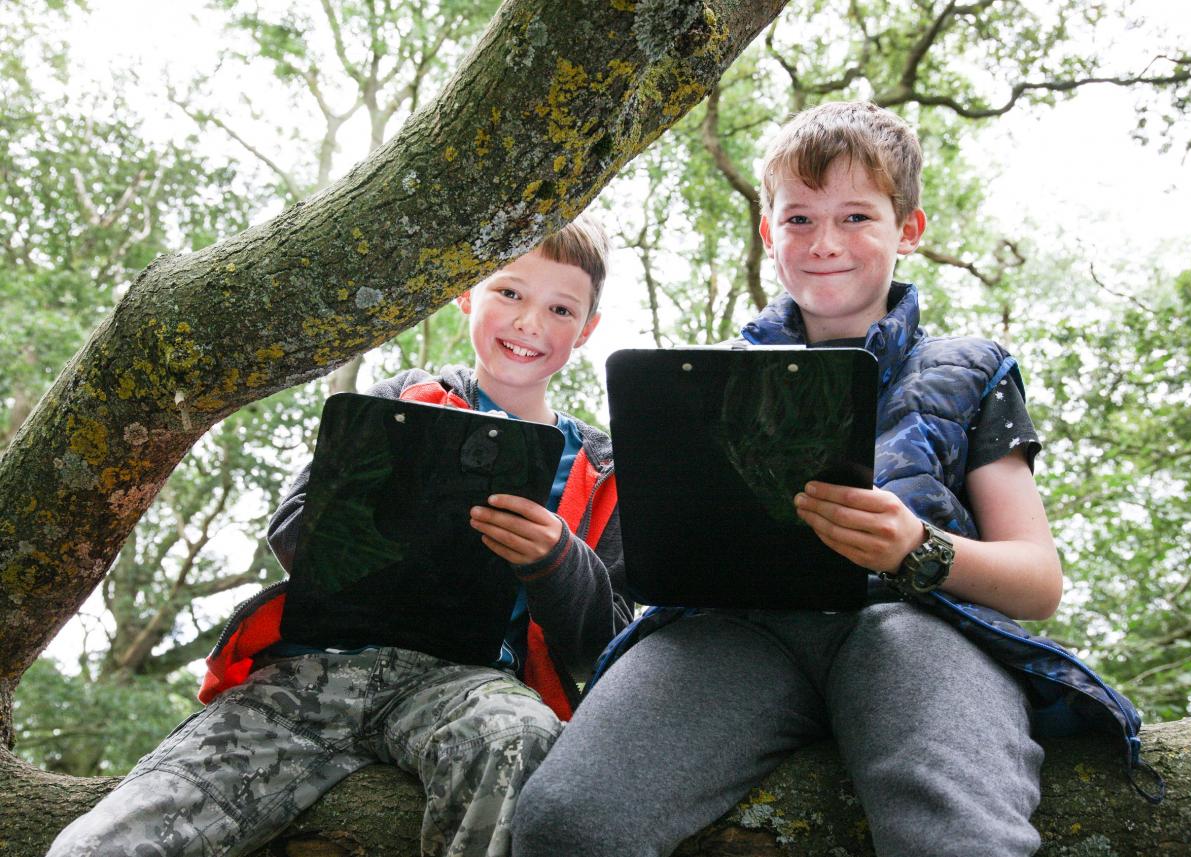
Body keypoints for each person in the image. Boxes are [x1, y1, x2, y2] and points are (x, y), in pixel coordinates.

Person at [511, 102, 1067, 857]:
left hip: (915, 632)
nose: (825, 242)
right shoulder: (699, 379)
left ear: (909, 229)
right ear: (769, 232)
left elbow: (1038, 581)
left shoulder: (970, 371)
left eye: (856, 217)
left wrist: (918, 547)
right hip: (734, 638)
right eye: (799, 219)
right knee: (564, 822)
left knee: (959, 838)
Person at [47, 213, 632, 857]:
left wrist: (556, 560)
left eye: (559, 308)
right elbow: (293, 527)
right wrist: (376, 517)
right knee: (105, 842)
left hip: (467, 686)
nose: (529, 323)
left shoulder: (600, 470)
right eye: (509, 293)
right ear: (468, 291)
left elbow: (606, 644)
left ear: (586, 331)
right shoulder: (406, 398)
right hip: (311, 674)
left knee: (521, 737)